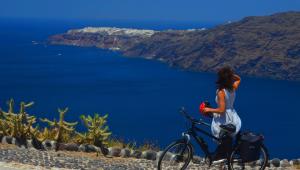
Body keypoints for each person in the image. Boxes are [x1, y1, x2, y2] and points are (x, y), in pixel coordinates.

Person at [203, 66, 242, 160]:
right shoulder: (232, 87)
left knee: (221, 137)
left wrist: (208, 110)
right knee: (226, 139)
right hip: (232, 115)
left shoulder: (221, 92)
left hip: (224, 118)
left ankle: (222, 157)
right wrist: (231, 75)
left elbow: (221, 110)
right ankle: (225, 156)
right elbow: (239, 79)